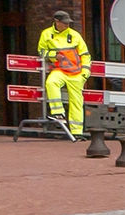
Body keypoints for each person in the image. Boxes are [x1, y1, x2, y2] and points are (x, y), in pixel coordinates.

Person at [37, 10, 90, 138]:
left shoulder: (75, 35)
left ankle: (77, 132)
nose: (67, 25)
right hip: (60, 70)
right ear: (56, 22)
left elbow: (85, 55)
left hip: (76, 73)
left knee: (76, 102)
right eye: (64, 23)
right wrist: (54, 56)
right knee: (51, 82)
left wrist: (85, 73)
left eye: (68, 23)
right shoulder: (46, 34)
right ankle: (58, 112)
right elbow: (41, 52)